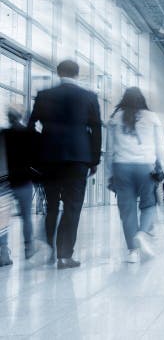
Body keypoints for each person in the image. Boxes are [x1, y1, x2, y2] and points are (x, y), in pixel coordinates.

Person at [28, 59, 102, 269]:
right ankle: (64, 255)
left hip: (49, 158)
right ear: (77, 74)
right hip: (79, 157)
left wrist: (38, 151)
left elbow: (31, 126)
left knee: (51, 205)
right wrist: (94, 159)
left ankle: (49, 248)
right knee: (73, 206)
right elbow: (96, 129)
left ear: (58, 72)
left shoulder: (44, 96)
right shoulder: (89, 97)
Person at [105, 87, 164, 263]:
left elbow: (109, 150)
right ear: (142, 99)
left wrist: (110, 173)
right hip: (145, 166)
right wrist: (160, 167)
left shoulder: (115, 118)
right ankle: (142, 233)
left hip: (121, 166)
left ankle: (132, 252)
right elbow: (160, 146)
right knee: (149, 204)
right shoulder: (152, 117)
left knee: (127, 210)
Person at [0, 105, 37, 265]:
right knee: (26, 217)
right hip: (24, 181)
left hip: (5, 183)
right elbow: (35, 158)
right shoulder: (28, 134)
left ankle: (3, 254)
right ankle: (28, 248)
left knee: (3, 220)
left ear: (8, 118)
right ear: (20, 117)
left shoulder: (3, 134)